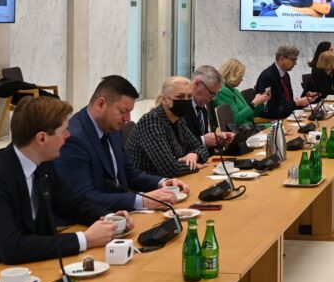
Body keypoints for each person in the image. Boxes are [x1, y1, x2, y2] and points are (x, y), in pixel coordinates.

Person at [0, 96, 127, 276]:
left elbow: (73, 205)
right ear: (42, 138)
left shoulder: (42, 163)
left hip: (30, 270)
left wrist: (109, 219)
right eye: (63, 131)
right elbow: (11, 247)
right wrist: (85, 240)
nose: (69, 135)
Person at [56, 75, 190, 213]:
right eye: (123, 112)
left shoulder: (113, 128)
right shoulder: (74, 139)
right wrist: (141, 200)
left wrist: (162, 182)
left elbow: (130, 173)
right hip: (93, 221)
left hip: (123, 214)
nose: (128, 119)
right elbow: (84, 198)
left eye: (130, 112)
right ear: (101, 104)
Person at [126, 76, 209, 178]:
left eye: (189, 96)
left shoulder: (179, 119)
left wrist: (194, 155)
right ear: (164, 99)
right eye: (180, 97)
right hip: (149, 185)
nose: (186, 101)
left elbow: (201, 148)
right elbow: (169, 169)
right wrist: (195, 166)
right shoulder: (151, 121)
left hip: (174, 181)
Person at [255, 44, 319, 120]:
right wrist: (296, 103)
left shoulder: (285, 75)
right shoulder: (268, 77)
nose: (295, 63)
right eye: (293, 60)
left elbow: (286, 103)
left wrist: (304, 100)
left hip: (286, 116)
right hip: (273, 120)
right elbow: (270, 111)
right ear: (282, 58)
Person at [184, 65, 235, 151]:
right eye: (212, 93)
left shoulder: (201, 108)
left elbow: (203, 136)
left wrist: (218, 140)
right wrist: (203, 140)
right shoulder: (180, 108)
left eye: (215, 94)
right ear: (197, 84)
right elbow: (179, 145)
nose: (213, 98)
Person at [216, 58, 272, 126]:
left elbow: (250, 116)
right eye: (240, 76)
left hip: (249, 126)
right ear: (232, 75)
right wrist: (253, 104)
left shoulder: (235, 91)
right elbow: (236, 120)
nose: (242, 79)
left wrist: (261, 102)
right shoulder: (223, 92)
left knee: (277, 127)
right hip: (241, 131)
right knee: (276, 128)